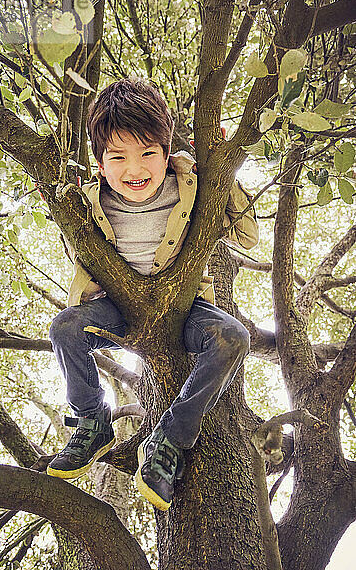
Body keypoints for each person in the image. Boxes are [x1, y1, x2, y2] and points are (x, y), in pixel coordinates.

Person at [47, 78, 259, 511]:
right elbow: (80, 253)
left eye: (148, 153)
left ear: (166, 153)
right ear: (101, 165)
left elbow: (249, 237)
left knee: (233, 337)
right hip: (118, 308)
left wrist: (219, 167)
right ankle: (92, 422)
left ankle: (170, 437)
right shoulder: (87, 201)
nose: (135, 169)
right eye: (118, 157)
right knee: (65, 326)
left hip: (185, 307)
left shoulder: (191, 182)